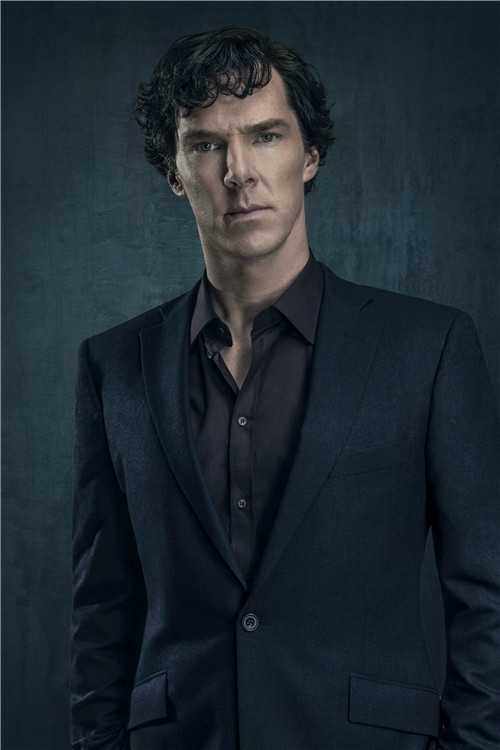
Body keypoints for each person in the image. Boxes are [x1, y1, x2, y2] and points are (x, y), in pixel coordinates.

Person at [70, 26, 500, 750]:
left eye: (265, 136)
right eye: (206, 145)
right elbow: (101, 609)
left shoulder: (429, 348)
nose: (239, 171)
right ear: (174, 171)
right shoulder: (113, 365)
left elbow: (485, 594)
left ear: (310, 155)